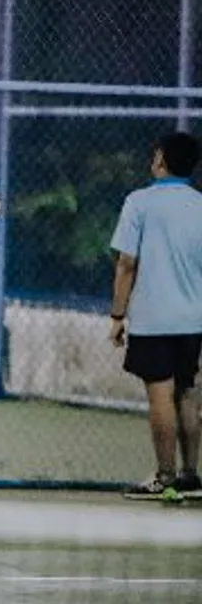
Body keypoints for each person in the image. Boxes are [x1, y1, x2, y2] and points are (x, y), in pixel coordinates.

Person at [109, 131, 202, 498]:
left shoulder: (139, 202)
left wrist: (117, 315)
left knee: (161, 396)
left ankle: (164, 477)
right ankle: (191, 477)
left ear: (160, 159)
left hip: (153, 319)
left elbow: (126, 263)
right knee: (188, 394)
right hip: (193, 319)